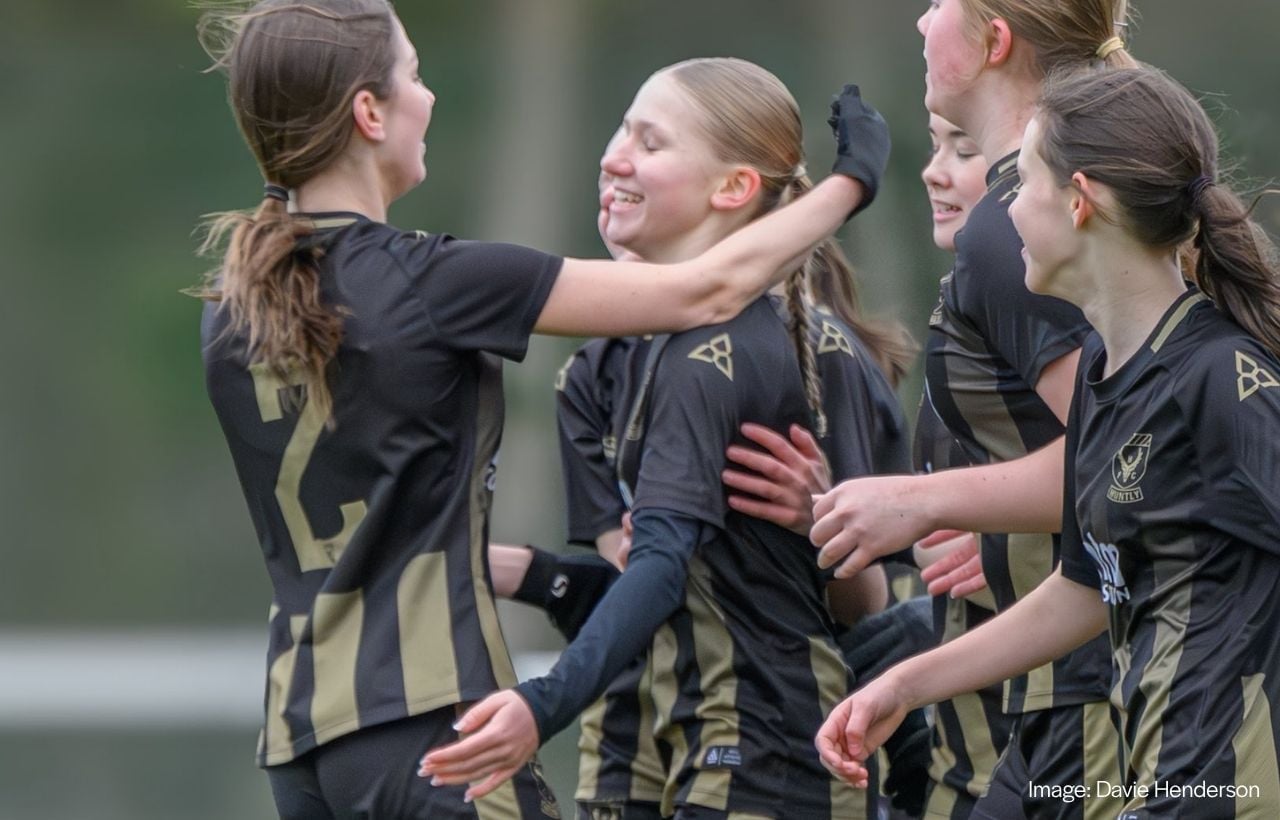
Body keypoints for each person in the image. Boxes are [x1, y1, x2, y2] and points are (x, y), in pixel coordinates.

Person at [192, 1, 889, 817]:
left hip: (298, 737)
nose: (431, 98)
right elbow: (705, 291)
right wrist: (851, 181)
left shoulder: (231, 304)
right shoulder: (430, 280)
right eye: (414, 76)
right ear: (368, 113)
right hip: (430, 728)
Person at [420, 57, 902, 818]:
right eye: (620, 131)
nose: (613, 157)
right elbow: (636, 587)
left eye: (650, 142)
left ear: (733, 188)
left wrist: (543, 703)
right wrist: (502, 568)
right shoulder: (595, 375)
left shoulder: (796, 353)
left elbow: (877, 607)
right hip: (660, 753)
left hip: (777, 756)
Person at [818, 64, 1280, 819]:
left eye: (1020, 184)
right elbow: (1086, 586)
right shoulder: (1105, 370)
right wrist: (906, 682)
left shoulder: (1220, 377)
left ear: (1079, 201)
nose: (1003, 212)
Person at [747, 1, 1139, 816]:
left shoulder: (1014, 230)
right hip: (1062, 690)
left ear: (994, 40)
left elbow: (1136, 457)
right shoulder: (1018, 219)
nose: (921, 23)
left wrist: (920, 502)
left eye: (937, 7)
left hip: (1100, 695)